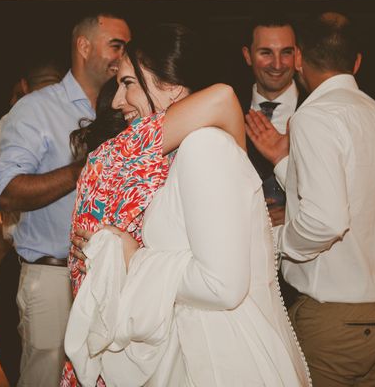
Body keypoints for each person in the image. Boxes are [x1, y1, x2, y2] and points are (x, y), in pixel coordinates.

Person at [64, 24, 310, 386]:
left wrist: (133, 258)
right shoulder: (179, 153)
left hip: (217, 359)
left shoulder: (201, 148)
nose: (117, 101)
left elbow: (222, 286)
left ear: (174, 86)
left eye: (129, 83)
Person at [245, 12, 375, 386]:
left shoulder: (314, 116)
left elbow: (325, 221)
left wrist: (276, 240)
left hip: (340, 318)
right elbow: (353, 197)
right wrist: (284, 162)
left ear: (299, 59)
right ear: (357, 62)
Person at [0, 12, 131, 386]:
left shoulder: (125, 108)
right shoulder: (35, 109)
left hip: (113, 277)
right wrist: (81, 170)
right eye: (116, 46)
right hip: (53, 277)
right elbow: (7, 193)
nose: (123, 56)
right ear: (83, 47)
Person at [0, 59, 63, 385]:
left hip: (29, 259)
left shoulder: (16, 119)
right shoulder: (82, 117)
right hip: (83, 261)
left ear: (24, 86)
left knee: (19, 343)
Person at [241, 13, 305, 226]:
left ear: (297, 55)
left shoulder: (316, 109)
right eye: (266, 53)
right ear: (248, 56)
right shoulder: (228, 110)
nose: (277, 64)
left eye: (286, 52)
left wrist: (296, 214)